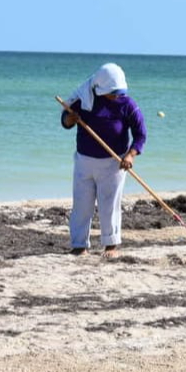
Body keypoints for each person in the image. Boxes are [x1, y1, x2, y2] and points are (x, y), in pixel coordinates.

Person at [60, 63, 147, 257]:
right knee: (82, 205)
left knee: (109, 206)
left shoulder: (128, 105)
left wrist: (131, 155)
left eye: (119, 92)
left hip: (113, 164)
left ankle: (111, 246)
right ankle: (79, 245)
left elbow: (140, 134)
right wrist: (70, 119)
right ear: (100, 88)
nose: (116, 95)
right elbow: (65, 120)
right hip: (84, 161)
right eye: (113, 92)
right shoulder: (85, 99)